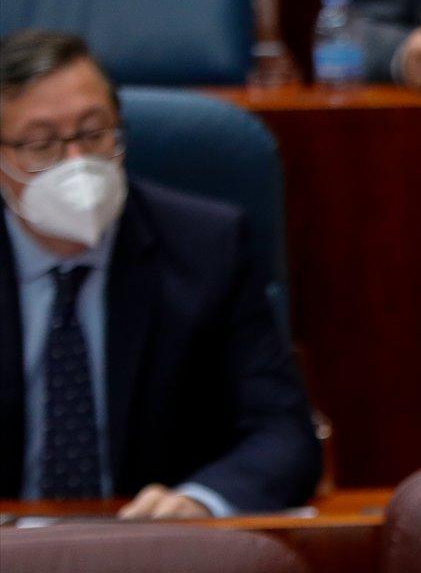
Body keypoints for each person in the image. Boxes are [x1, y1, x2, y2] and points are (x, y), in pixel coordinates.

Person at [0, 31, 320, 518]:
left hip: (155, 558)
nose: (77, 164)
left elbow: (283, 434)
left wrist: (200, 501)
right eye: (41, 145)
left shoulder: (207, 247)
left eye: (94, 133)